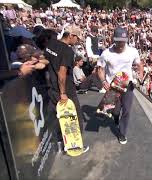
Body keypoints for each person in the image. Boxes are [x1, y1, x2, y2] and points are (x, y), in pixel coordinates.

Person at [44, 25, 89, 153]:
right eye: (77, 38)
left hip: (52, 88)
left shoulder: (51, 43)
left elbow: (45, 60)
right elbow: (62, 73)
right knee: (75, 118)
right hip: (66, 91)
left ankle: (60, 144)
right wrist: (63, 93)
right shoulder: (68, 51)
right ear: (71, 35)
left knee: (58, 118)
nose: (77, 41)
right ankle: (76, 146)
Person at [97, 27, 144, 145]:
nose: (121, 43)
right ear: (114, 40)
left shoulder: (132, 51)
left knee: (127, 110)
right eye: (119, 41)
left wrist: (141, 75)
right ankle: (115, 116)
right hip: (113, 86)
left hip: (128, 84)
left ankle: (122, 133)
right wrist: (103, 81)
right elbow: (100, 68)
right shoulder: (106, 53)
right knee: (116, 111)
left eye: (124, 41)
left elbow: (139, 64)